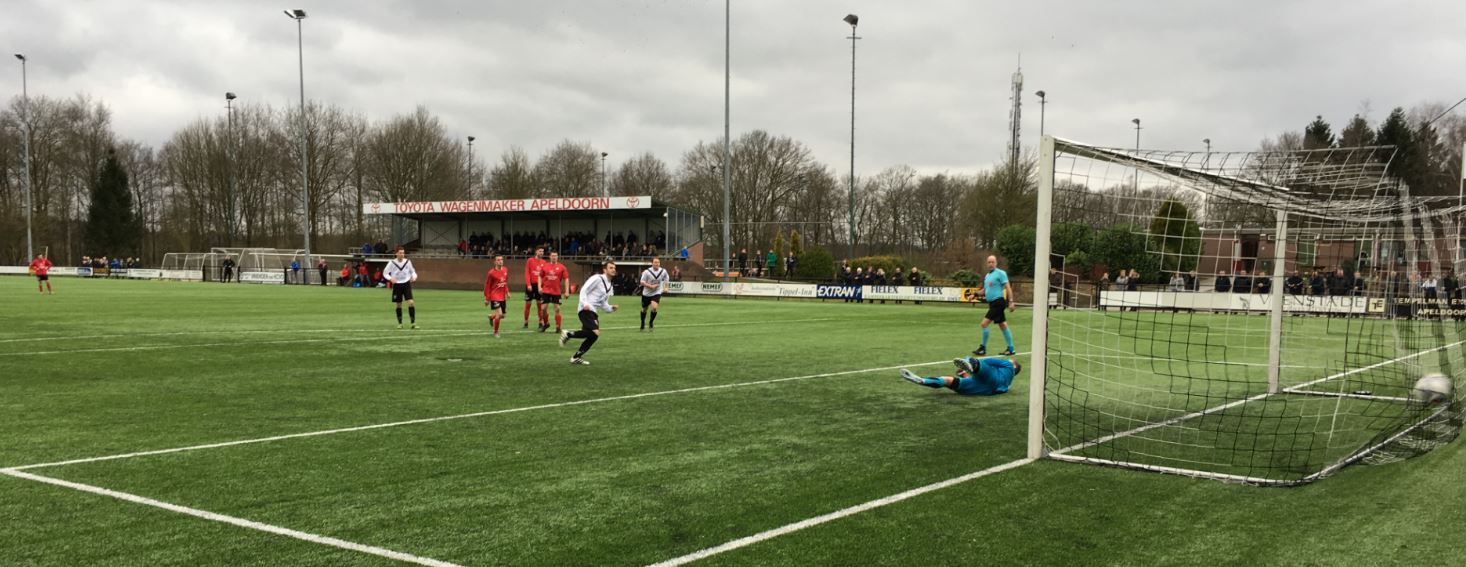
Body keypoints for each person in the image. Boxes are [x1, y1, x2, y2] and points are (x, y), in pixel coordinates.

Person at [559, 260, 619, 365]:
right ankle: (568, 334)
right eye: (611, 268)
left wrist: (610, 308)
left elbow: (603, 303)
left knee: (593, 336)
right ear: (604, 270)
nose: (613, 270)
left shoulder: (610, 286)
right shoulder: (597, 278)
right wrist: (584, 303)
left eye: (614, 268)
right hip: (585, 309)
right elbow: (584, 290)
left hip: (593, 311)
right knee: (595, 332)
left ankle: (576, 357)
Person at [899, 356, 1021, 396]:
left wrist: (972, 364)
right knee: (950, 381)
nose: (1008, 360)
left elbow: (987, 361)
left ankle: (970, 364)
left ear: (1014, 366)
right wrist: (965, 373)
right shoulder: (1008, 382)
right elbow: (980, 381)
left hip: (992, 378)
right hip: (987, 390)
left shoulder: (1008, 366)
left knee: (973, 359)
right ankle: (921, 380)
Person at [975, 255, 1017, 356]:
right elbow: (984, 291)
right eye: (989, 262)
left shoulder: (1001, 273)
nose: (991, 264)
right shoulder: (987, 276)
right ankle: (1011, 349)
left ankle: (983, 348)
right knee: (1003, 325)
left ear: (996, 263)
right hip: (992, 303)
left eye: (993, 262)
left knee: (984, 324)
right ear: (987, 263)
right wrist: (974, 294)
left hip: (998, 302)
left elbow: (1008, 288)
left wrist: (1011, 301)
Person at [383, 247, 419, 329]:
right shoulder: (391, 263)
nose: (402, 254)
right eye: (400, 253)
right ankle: (400, 323)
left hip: (406, 283)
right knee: (398, 304)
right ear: (396, 254)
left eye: (403, 253)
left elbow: (412, 271)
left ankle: (413, 323)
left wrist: (414, 277)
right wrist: (390, 278)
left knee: (411, 302)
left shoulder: (407, 262)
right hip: (397, 285)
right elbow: (385, 273)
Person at [538, 251, 570, 333]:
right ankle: (546, 323)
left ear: (558, 257)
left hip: (556, 291)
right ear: (549, 257)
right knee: (543, 308)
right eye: (552, 256)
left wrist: (566, 291)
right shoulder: (545, 266)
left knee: (557, 309)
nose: (554, 257)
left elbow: (566, 279)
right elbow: (540, 276)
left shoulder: (562, 267)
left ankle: (558, 327)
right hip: (546, 290)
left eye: (555, 256)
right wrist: (539, 287)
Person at [640, 257, 670, 332]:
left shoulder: (663, 271)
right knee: (644, 309)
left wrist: (666, 287)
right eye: (655, 262)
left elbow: (666, 278)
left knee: (654, 307)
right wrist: (650, 286)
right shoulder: (647, 272)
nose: (657, 264)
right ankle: (642, 322)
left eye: (658, 262)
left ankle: (651, 322)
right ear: (652, 263)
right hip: (646, 293)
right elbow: (642, 282)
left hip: (656, 292)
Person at [483, 255, 510, 338]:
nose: (500, 261)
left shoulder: (505, 270)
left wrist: (507, 292)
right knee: (499, 314)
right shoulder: (491, 273)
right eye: (498, 260)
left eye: (501, 259)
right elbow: (487, 285)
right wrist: (487, 298)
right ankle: (496, 332)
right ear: (495, 262)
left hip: (502, 296)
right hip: (494, 296)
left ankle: (491, 317)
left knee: (503, 315)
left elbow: (505, 282)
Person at [523, 247, 546, 330]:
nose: (541, 253)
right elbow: (527, 273)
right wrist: (528, 284)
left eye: (542, 251)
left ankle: (540, 322)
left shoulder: (544, 262)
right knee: (528, 305)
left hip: (539, 286)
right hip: (531, 285)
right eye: (540, 251)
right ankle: (525, 322)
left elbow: (544, 276)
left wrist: (542, 286)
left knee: (540, 305)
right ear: (536, 251)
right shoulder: (530, 260)